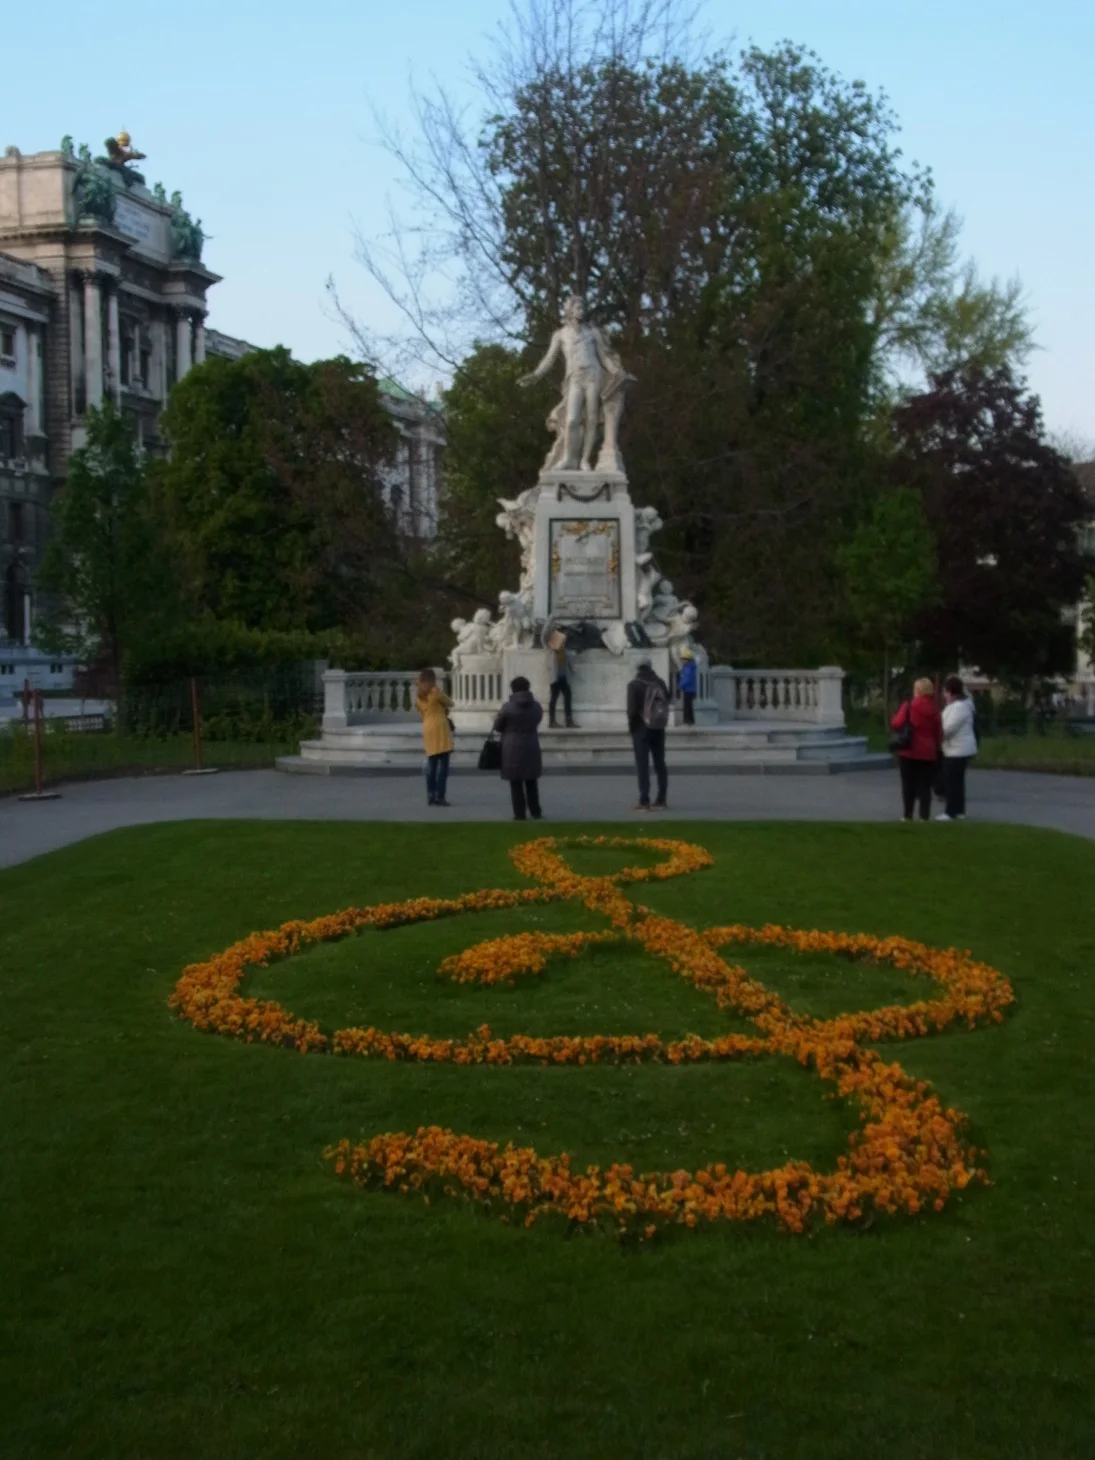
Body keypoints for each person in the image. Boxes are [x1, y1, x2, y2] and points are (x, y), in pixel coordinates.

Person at [891, 676, 943, 822]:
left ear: (917, 690)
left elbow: (896, 723)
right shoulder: (935, 710)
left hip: (909, 750)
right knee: (925, 786)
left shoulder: (908, 706)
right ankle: (924, 816)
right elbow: (939, 733)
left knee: (908, 784)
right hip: (928, 752)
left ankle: (908, 815)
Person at [494, 676, 544, 821]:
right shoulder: (536, 706)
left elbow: (498, 727)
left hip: (512, 745)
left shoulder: (508, 707)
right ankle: (535, 810)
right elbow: (537, 719)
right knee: (531, 781)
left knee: (515, 782)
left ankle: (519, 813)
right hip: (531, 743)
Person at [627, 656, 670, 810]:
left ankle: (644, 799)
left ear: (638, 668)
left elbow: (632, 711)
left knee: (643, 765)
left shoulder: (634, 685)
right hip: (658, 727)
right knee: (660, 763)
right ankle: (662, 797)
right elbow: (667, 700)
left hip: (641, 727)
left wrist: (632, 728)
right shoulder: (660, 683)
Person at [938, 674, 977, 821]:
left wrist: (938, 732)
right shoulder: (960, 705)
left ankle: (950, 811)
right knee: (957, 782)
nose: (944, 695)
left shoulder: (959, 707)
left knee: (952, 781)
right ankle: (959, 810)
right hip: (957, 748)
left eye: (946, 692)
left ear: (951, 692)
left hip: (957, 749)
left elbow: (948, 728)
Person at [415, 668, 454, 807]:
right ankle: (440, 795)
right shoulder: (435, 692)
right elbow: (450, 702)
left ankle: (430, 794)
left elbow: (422, 714)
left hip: (428, 728)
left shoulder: (419, 697)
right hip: (440, 728)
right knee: (443, 765)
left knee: (431, 763)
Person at [677, 647, 698, 727]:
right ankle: (690, 721)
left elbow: (686, 679)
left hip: (688, 690)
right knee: (689, 706)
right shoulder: (691, 667)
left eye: (683, 659)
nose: (681, 661)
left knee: (687, 707)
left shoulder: (688, 668)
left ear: (687, 659)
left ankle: (687, 722)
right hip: (691, 689)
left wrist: (680, 686)